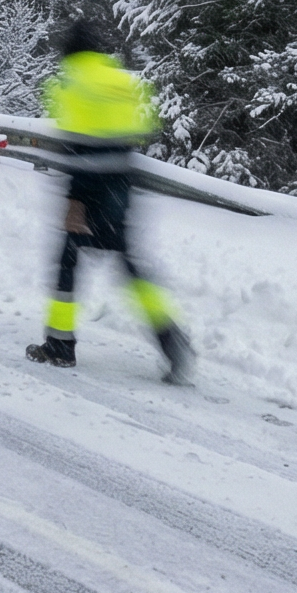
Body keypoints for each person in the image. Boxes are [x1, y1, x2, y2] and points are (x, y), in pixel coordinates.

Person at [26, 21, 196, 384]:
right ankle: (172, 339)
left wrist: (76, 201)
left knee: (66, 265)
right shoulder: (120, 79)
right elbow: (136, 132)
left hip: (88, 188)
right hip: (122, 185)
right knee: (132, 268)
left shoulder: (70, 82)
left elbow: (77, 146)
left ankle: (59, 346)